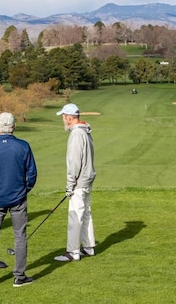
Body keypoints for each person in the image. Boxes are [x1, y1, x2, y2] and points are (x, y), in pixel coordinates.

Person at [0, 112, 37, 288]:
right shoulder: (23, 146)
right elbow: (32, 174)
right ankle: (19, 276)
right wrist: (24, 190)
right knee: (20, 236)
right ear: (14, 127)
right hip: (18, 198)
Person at [54, 103, 96, 262]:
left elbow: (74, 163)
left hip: (79, 182)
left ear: (69, 117)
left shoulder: (76, 134)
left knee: (75, 215)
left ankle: (73, 251)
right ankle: (88, 247)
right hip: (87, 179)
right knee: (86, 214)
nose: (63, 120)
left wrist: (70, 185)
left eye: (64, 117)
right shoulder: (85, 130)